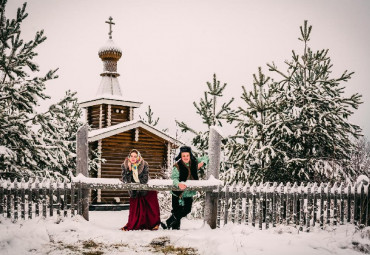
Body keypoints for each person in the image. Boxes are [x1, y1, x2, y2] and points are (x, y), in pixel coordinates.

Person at [165, 146, 208, 230]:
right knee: (176, 211)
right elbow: (174, 178)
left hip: (188, 193)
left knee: (187, 210)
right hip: (177, 192)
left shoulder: (194, 162)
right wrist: (179, 184)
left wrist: (202, 163)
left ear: (190, 155)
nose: (185, 157)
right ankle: (175, 229)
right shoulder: (177, 166)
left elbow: (206, 157)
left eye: (187, 155)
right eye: (183, 156)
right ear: (181, 156)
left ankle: (169, 222)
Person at [120, 149, 160, 231]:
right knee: (135, 213)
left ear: (138, 157)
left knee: (151, 207)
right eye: (131, 156)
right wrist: (129, 170)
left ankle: (154, 224)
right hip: (134, 191)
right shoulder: (125, 165)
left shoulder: (144, 164)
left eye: (135, 156)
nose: (133, 158)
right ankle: (136, 224)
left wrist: (135, 182)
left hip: (145, 189)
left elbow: (144, 180)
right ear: (129, 157)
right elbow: (125, 181)